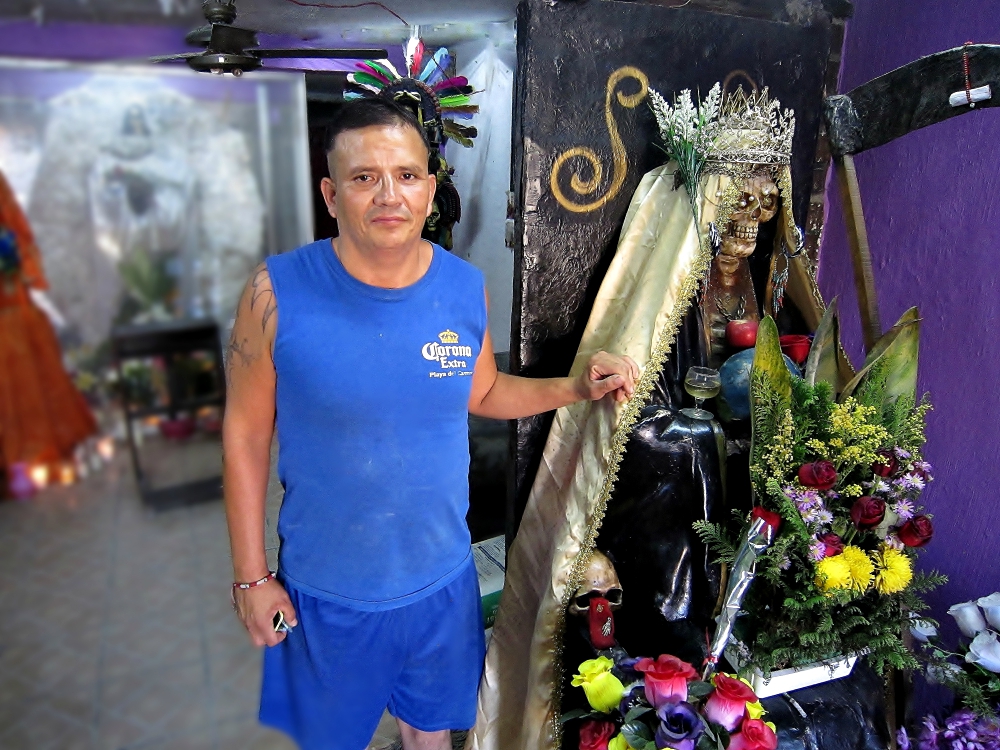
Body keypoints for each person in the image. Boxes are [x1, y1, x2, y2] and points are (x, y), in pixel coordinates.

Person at [221, 98, 639, 750]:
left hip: (440, 584)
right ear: (331, 194)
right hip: (326, 591)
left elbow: (486, 392)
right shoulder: (274, 294)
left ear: (430, 188)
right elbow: (244, 436)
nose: (389, 194)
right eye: (364, 178)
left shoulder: (463, 287)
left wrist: (573, 388)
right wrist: (251, 577)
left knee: (431, 739)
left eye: (408, 175)